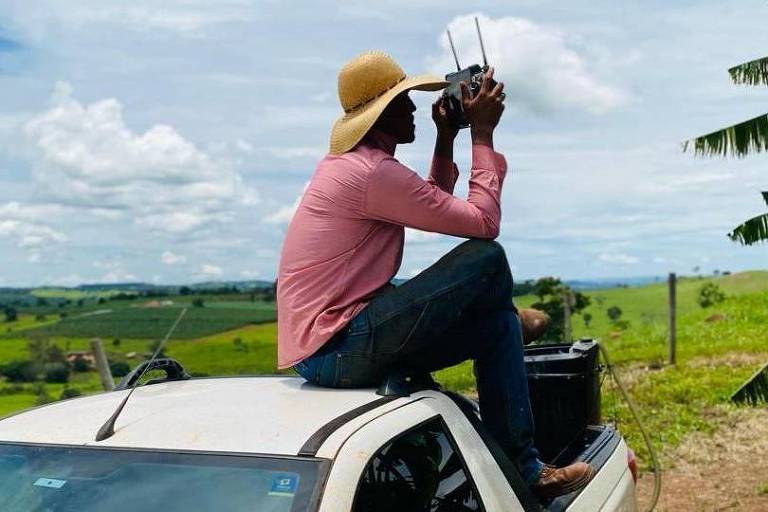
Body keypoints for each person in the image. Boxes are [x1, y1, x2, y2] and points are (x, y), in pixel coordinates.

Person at [277, 51, 593, 499]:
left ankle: (526, 470)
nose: (413, 110)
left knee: (497, 328)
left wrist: (446, 138)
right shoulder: (369, 172)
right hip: (340, 345)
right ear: (383, 113)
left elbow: (433, 201)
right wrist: (481, 134)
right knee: (487, 257)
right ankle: (508, 312)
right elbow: (482, 223)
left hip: (336, 345)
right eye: (403, 102)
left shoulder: (364, 168)